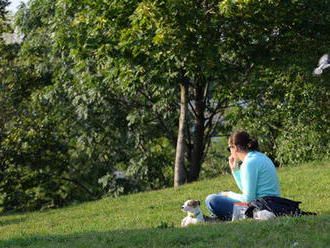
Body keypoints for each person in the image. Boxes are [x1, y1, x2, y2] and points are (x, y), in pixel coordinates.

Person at [205, 130, 281, 220]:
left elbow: (247, 199)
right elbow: (246, 191)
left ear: (235, 148)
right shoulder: (260, 156)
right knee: (218, 197)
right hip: (272, 204)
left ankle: (222, 218)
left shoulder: (249, 163)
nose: (230, 152)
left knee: (211, 200)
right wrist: (235, 171)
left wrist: (229, 194)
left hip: (261, 207)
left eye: (229, 148)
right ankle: (219, 217)